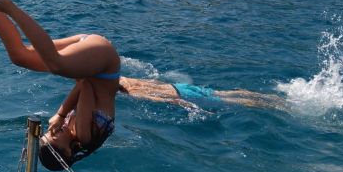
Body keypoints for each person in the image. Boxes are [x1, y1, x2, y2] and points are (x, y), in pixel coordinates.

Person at [0, 0, 120, 171]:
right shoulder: (84, 136)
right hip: (103, 60)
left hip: (91, 57)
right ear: (68, 153)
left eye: (48, 132)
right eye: (54, 136)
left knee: (20, 56)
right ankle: (8, 5)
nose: (53, 130)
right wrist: (62, 113)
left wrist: (63, 113)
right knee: (57, 64)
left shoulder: (74, 131)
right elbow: (85, 84)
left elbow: (84, 83)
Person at [118, 77, 283, 110]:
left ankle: (271, 106)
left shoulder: (132, 93)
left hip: (185, 96)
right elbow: (155, 82)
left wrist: (188, 106)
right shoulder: (123, 78)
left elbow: (163, 99)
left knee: (233, 103)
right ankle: (270, 97)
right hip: (178, 86)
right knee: (222, 93)